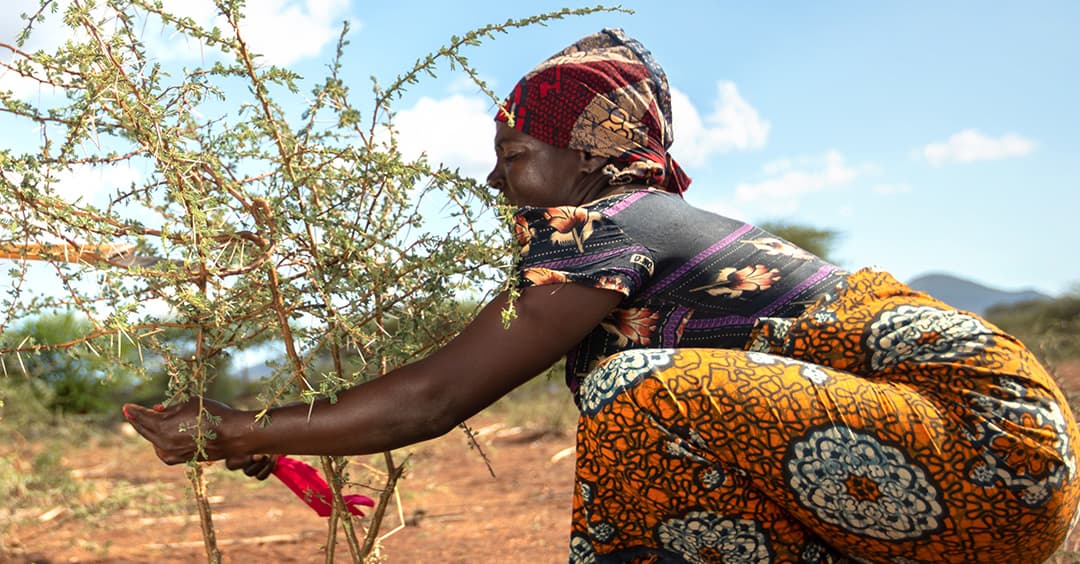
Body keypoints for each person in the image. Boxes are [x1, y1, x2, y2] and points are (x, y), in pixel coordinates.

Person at [124, 28, 1080, 563]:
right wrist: (278, 436)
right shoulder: (641, 236)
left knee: (638, 397)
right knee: (660, 412)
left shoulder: (610, 221)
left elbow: (433, 397)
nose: (497, 185)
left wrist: (243, 428)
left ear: (587, 150)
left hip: (982, 447)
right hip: (974, 472)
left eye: (513, 155)